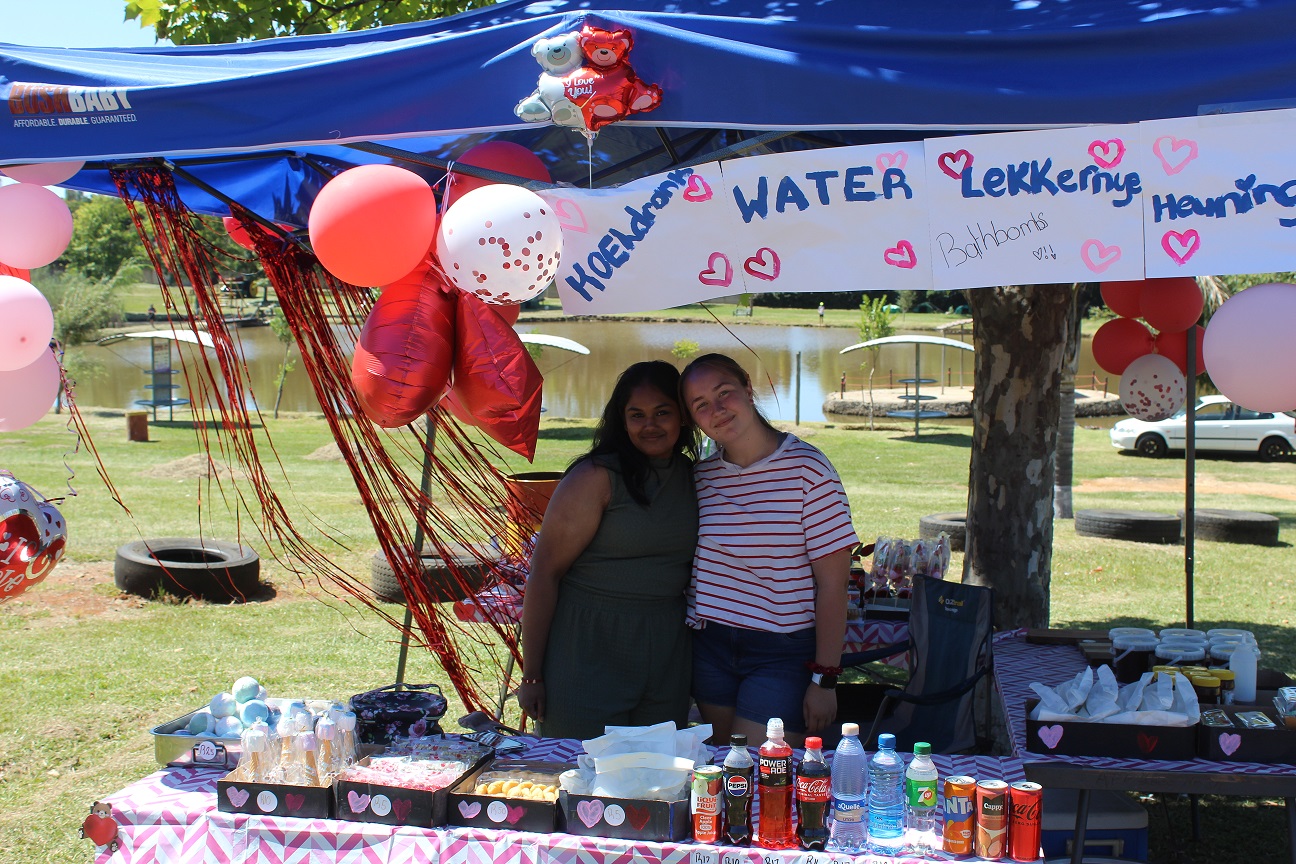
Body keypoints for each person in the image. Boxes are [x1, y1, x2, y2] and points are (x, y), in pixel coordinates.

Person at [680, 353, 859, 747]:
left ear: (747, 386)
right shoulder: (700, 478)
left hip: (780, 654)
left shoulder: (809, 471)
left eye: (724, 393)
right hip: (710, 647)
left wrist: (825, 679)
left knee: (764, 774)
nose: (717, 410)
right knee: (726, 772)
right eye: (701, 405)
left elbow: (833, 585)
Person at [518, 361, 699, 739]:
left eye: (662, 412)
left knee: (657, 778)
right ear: (622, 420)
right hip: (587, 646)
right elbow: (545, 574)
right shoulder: (595, 477)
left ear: (683, 416)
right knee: (577, 780)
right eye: (637, 415)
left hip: (665, 651)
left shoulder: (692, 476)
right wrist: (532, 673)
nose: (650, 425)